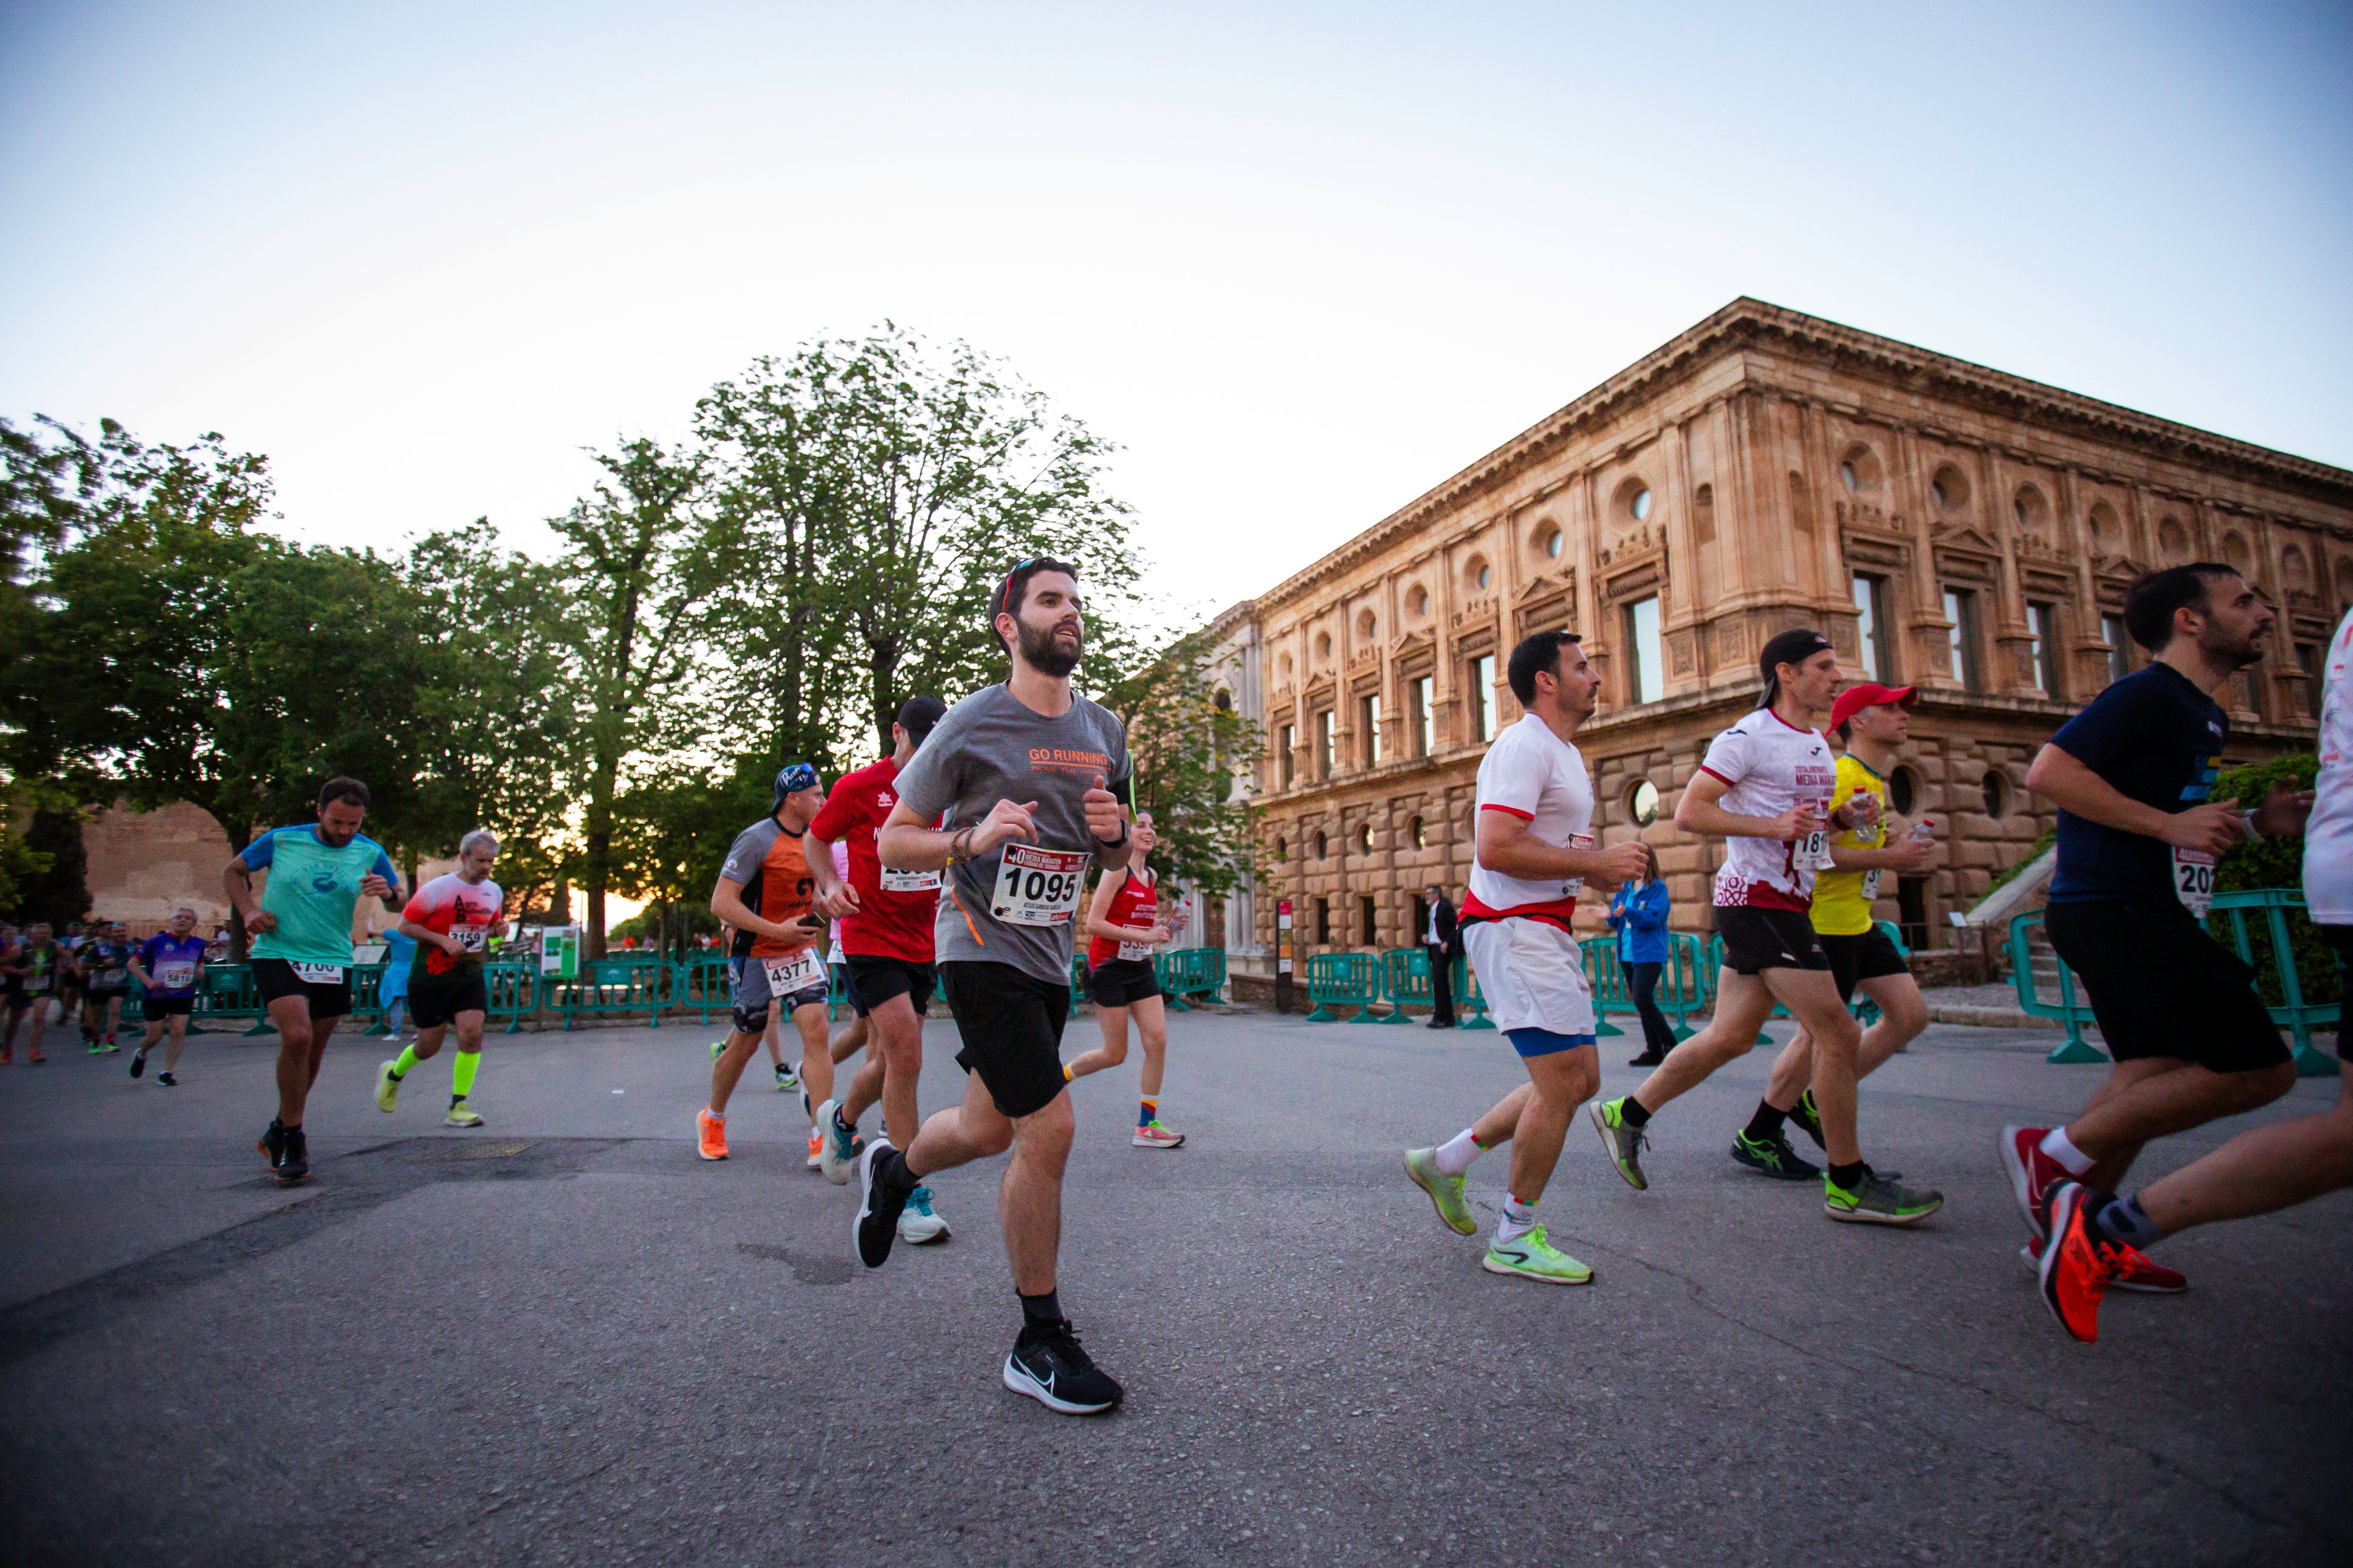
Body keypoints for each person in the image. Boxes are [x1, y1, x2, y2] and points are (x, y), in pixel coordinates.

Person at [856, 556, 1135, 1414]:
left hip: (1049, 955)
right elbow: (894, 841)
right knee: (1046, 1128)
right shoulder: (974, 723)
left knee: (983, 1130)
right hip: (977, 947)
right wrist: (970, 840)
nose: (1070, 614)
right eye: (1051, 601)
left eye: (1077, 602)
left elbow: (1118, 851)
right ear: (1009, 625)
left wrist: (1118, 835)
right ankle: (1038, 1339)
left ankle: (895, 1171)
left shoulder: (1105, 729)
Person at [2038, 602, 2353, 1343]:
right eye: (2241, 601)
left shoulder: (2200, 712)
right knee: (2259, 1069)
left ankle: (2071, 1226)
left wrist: (2244, 827)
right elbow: (2048, 771)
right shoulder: (2148, 694)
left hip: (2137, 905)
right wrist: (2168, 826)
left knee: (2154, 1067)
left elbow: (2174, 823)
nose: (2265, 613)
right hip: (2115, 906)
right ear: (2187, 617)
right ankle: (2053, 1166)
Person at [1590, 629, 1943, 1224]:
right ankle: (1848, 1182)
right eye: (1823, 665)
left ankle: (1626, 1114)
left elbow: (1803, 835)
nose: (1836, 676)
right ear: (1786, 672)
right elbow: (1691, 811)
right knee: (1836, 1031)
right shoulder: (1747, 735)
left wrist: (1835, 818)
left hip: (1789, 900)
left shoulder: (1811, 743)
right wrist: (1773, 827)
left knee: (1729, 1036)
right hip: (1754, 899)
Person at [1404, 631, 1648, 1285]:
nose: (1596, 676)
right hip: (1512, 928)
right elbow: (1495, 846)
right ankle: (1513, 1236)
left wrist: (1586, 877)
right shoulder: (1522, 745)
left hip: (1542, 924)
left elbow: (1540, 846)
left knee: (1580, 1080)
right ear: (1546, 680)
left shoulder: (1564, 752)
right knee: (1564, 1083)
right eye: (1581, 666)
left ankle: (1445, 1161)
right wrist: (1593, 862)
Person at [1733, 682, 1937, 1179]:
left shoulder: (1872, 779)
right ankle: (1764, 1132)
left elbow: (1855, 843)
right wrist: (1892, 856)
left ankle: (1810, 1102)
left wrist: (1891, 840)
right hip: (1826, 924)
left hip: (1860, 922)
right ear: (1859, 722)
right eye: (1888, 708)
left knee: (1909, 1015)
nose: (1902, 716)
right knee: (1820, 1040)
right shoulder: (1840, 774)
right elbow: (1816, 857)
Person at [805, 694, 953, 1244]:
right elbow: (816, 837)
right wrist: (829, 885)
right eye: (918, 743)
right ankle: (907, 1193)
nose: (923, 756)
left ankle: (841, 1121)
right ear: (897, 733)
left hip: (923, 943)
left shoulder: (947, 791)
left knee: (895, 1056)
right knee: (907, 1053)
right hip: (868, 937)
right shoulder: (858, 788)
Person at [227, 777, 403, 1185]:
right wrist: (248, 908)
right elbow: (233, 871)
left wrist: (388, 891)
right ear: (320, 810)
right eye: (337, 821)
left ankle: (281, 1125)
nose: (344, 831)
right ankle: (293, 1137)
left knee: (315, 1049)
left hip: (332, 957)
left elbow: (401, 898)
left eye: (353, 824)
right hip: (279, 951)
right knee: (298, 1037)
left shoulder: (369, 851)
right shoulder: (282, 841)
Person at [698, 764, 848, 1166]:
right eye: (817, 794)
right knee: (745, 1042)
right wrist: (774, 930)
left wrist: (830, 903)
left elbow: (813, 894)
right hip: (755, 953)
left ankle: (821, 1136)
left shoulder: (818, 840)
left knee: (817, 1029)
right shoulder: (756, 839)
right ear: (793, 799)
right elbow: (722, 903)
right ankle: (713, 1118)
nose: (824, 800)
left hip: (797, 951)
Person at [1062, 812, 1184, 1148]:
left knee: (1157, 1041)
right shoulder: (1117, 872)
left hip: (1139, 967)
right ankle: (1057, 1079)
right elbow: (1094, 924)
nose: (1149, 830)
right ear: (1128, 835)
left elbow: (1138, 922)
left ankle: (1147, 1126)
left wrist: (1163, 926)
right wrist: (1144, 935)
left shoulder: (1151, 876)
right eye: (1141, 826)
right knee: (1114, 1054)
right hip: (1108, 968)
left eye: (1152, 825)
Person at [375, 830, 506, 1128]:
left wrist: (498, 933)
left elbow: (489, 931)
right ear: (464, 857)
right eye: (481, 860)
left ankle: (458, 1105)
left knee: (472, 1034)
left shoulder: (494, 891)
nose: (487, 867)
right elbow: (405, 926)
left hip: (469, 974)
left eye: (491, 861)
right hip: (431, 976)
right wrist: (442, 940)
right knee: (428, 1046)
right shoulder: (438, 889)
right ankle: (394, 1074)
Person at [129, 906, 208, 1084]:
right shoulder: (156, 941)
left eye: (188, 918)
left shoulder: (198, 944)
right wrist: (148, 982)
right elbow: (132, 964)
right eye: (178, 917)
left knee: (178, 1032)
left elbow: (199, 963)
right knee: (155, 1036)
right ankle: (141, 1054)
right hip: (156, 995)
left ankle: (166, 1072)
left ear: (194, 924)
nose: (182, 921)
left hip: (183, 993)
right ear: (172, 921)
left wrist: (200, 971)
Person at [1607, 865, 1675, 1066]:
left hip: (1649, 951)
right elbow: (1616, 919)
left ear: (1648, 864)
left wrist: (1628, 912)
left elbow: (1653, 919)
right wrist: (1608, 915)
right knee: (1642, 1002)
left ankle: (1670, 1044)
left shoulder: (1657, 888)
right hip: (1628, 952)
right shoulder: (1624, 888)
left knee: (1642, 998)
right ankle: (1654, 1050)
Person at [1, 922, 67, 1065]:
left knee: (39, 1017)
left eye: (46, 934)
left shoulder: (56, 947)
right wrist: (19, 972)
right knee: (13, 1021)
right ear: (33, 935)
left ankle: (34, 1051)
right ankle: (7, 1049)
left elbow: (64, 957)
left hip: (43, 988)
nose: (43, 936)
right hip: (20, 988)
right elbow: (3, 964)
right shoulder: (20, 949)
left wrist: (61, 966)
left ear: (50, 935)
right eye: (40, 933)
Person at [78, 922, 134, 1052]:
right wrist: (103, 963)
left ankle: (110, 1041)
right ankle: (96, 1041)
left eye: (123, 931)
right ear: (110, 934)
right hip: (100, 985)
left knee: (115, 1010)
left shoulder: (130, 946)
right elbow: (86, 964)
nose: (121, 934)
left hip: (120, 983)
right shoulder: (100, 947)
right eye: (117, 932)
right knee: (98, 1015)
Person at [1421, 884, 1462, 1028]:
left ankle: (1440, 1017)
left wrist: (1447, 942)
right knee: (1439, 984)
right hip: (1434, 948)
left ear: (1437, 895)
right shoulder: (1433, 910)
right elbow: (1437, 929)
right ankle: (1448, 1018)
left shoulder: (1444, 907)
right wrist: (1428, 937)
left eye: (1429, 893)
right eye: (1426, 894)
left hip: (1442, 950)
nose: (1427, 896)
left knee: (1440, 983)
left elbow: (1457, 926)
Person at [377, 922, 417, 1041]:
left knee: (397, 1002)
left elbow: (373, 933)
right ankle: (419, 1032)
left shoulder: (396, 934)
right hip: (414, 971)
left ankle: (396, 1032)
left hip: (398, 972)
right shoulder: (418, 935)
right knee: (415, 1003)